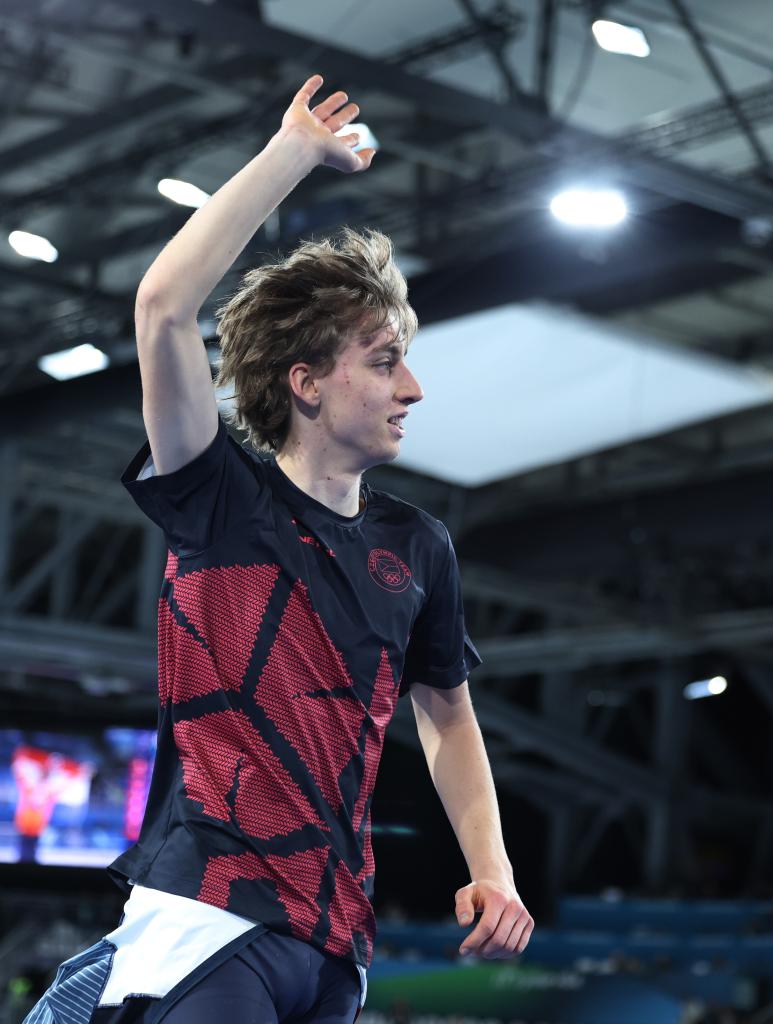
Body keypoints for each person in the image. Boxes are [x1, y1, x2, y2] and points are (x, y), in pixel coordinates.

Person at [24, 75, 533, 1024]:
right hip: (210, 918)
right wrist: (293, 153)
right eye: (384, 361)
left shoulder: (418, 546)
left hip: (338, 947)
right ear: (306, 383)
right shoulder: (218, 498)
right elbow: (161, 307)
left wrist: (493, 868)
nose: (413, 388)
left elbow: (449, 715)